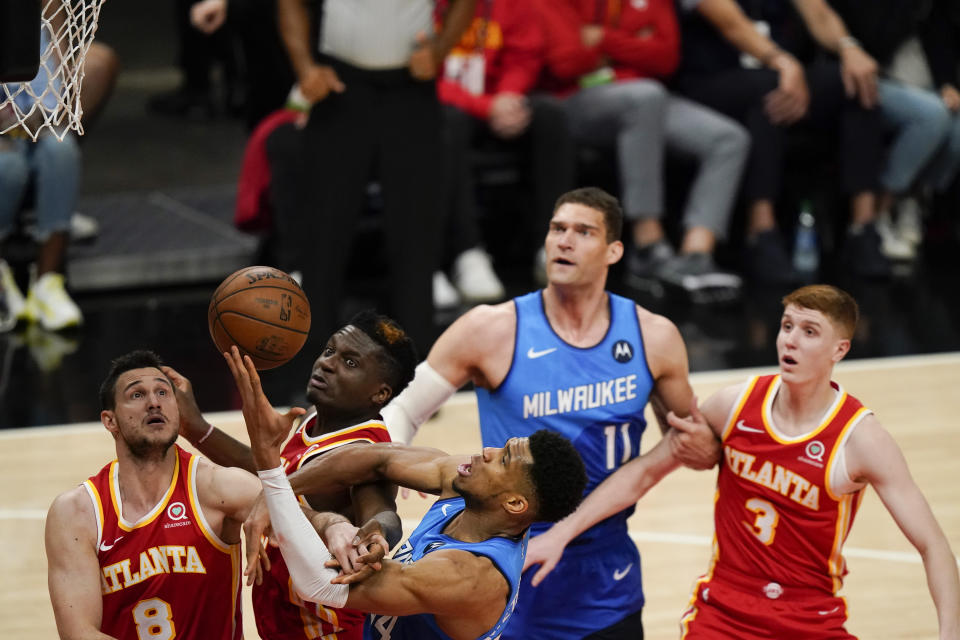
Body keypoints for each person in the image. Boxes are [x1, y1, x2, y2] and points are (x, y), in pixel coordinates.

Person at [381, 186, 721, 638]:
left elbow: (690, 443)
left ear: (614, 250)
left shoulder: (653, 337)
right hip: (507, 567)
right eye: (558, 229)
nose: (564, 241)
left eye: (583, 232)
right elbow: (402, 406)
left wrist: (704, 447)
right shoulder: (491, 328)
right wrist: (393, 457)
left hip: (604, 575)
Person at [527, 284, 960, 638]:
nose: (790, 339)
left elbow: (933, 545)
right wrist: (561, 533)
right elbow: (642, 473)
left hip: (809, 618)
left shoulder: (859, 439)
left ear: (840, 350)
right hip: (725, 613)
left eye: (810, 331)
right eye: (787, 325)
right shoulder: (736, 405)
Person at [225, 343, 588, 640]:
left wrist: (270, 471)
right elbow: (375, 459)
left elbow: (322, 586)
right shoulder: (472, 486)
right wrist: (278, 493)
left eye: (504, 459)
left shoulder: (470, 575)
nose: (488, 451)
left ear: (514, 503)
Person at [165, 310, 418, 640]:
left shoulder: (365, 453)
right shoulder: (315, 417)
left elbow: (381, 509)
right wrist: (196, 428)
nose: (327, 364)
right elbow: (273, 477)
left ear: (380, 394)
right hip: (284, 612)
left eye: (351, 363)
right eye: (330, 351)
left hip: (328, 629)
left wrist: (379, 532)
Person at [270, 0, 476, 357]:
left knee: (416, 236)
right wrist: (304, 68)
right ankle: (318, 374)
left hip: (411, 85)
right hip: (340, 84)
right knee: (323, 236)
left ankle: (414, 375)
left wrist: (440, 50)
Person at [533, 0, 749, 301]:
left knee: (727, 138)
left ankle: (696, 255)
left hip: (647, 95)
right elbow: (565, 62)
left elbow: (666, 60)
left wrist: (604, 41)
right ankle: (648, 245)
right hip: (574, 99)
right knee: (645, 97)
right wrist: (635, 48)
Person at [44, 350, 262, 639]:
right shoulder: (76, 513)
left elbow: (300, 514)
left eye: (163, 392)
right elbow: (79, 633)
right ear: (110, 421)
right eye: (137, 395)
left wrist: (331, 526)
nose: (153, 402)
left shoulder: (217, 488)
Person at [675, 0, 890, 282]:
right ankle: (760, 231)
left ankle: (862, 228)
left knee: (854, 82)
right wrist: (783, 61)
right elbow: (731, 23)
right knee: (771, 90)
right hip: (708, 79)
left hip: (775, 73)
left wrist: (849, 47)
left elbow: (819, 13)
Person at [435, 0, 576, 306]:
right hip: (446, 107)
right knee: (449, 122)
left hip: (498, 101)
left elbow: (524, 55)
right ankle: (466, 252)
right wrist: (486, 107)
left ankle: (551, 246)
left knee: (550, 115)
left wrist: (509, 96)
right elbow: (423, 71)